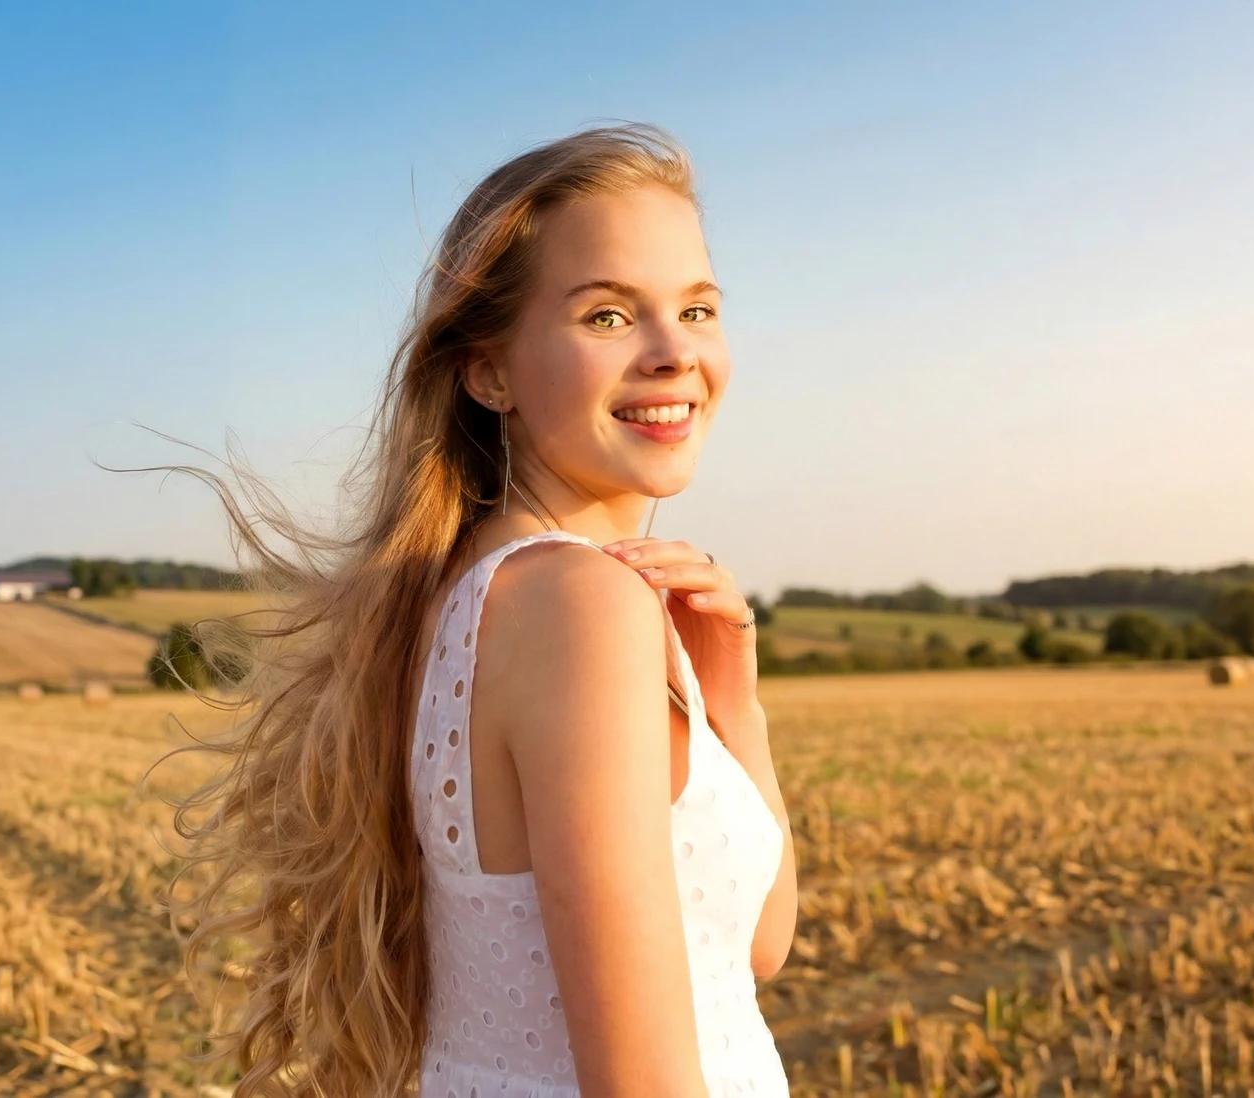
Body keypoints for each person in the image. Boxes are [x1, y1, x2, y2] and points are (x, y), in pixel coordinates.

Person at [156, 122, 795, 1098]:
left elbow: (753, 948)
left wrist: (732, 707)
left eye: (698, 309)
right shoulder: (575, 606)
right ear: (487, 370)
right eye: (609, 318)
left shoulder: (472, 594)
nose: (675, 354)